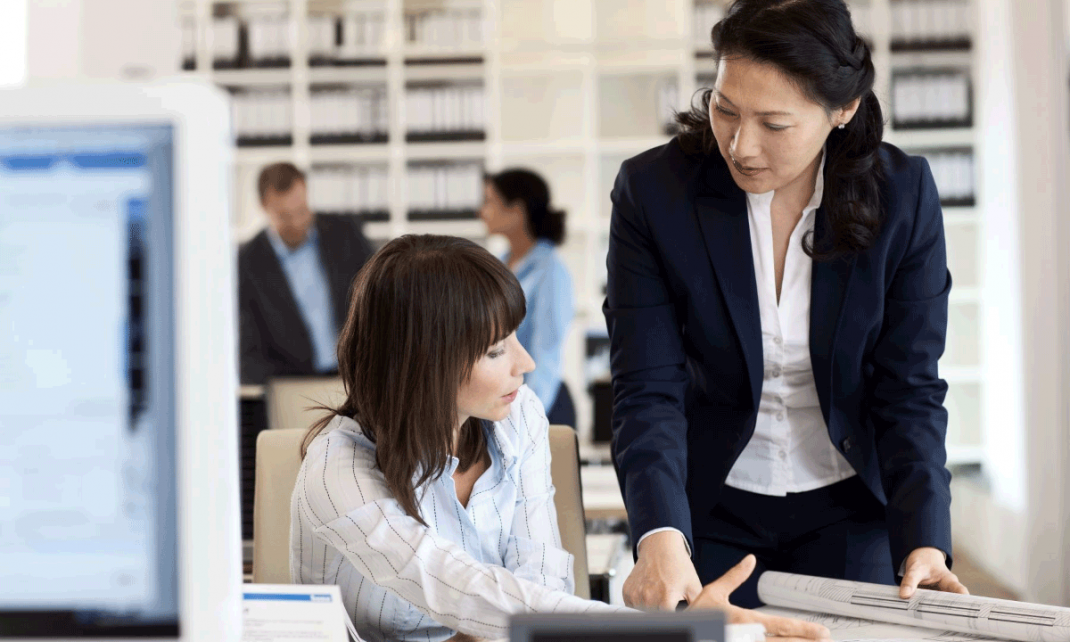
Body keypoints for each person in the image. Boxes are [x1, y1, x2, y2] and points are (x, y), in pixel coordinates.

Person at [604, 0, 970, 611]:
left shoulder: (901, 196)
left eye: (774, 124)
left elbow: (908, 385)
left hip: (849, 502)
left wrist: (925, 540)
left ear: (842, 111)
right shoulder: (654, 192)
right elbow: (647, 385)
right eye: (725, 109)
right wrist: (659, 534)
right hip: (708, 502)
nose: (740, 145)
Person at [289, 235, 830, 642]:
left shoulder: (517, 415)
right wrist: (676, 633)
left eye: (514, 338)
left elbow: (542, 580)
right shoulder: (336, 470)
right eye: (495, 350)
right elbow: (448, 584)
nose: (525, 363)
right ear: (423, 365)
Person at [238, 162, 374, 384]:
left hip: (355, 374)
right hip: (291, 384)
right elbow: (249, 350)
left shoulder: (346, 233)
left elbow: (379, 297)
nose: (296, 223)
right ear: (264, 207)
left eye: (301, 211)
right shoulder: (248, 263)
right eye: (284, 216)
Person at [480, 169, 576, 428]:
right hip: (502, 402)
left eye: (490, 202)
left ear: (517, 210)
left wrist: (524, 420)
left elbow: (547, 354)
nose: (482, 212)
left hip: (539, 403)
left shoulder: (550, 270)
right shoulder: (497, 266)